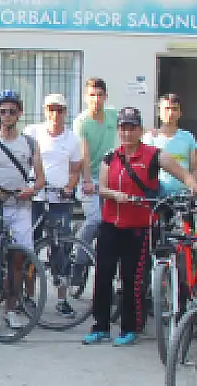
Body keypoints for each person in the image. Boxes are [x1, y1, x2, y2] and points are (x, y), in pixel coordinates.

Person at [82, 106, 197, 348]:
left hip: (138, 228)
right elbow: (101, 188)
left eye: (132, 128)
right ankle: (100, 327)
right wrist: (115, 195)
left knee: (132, 280)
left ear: (140, 130)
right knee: (103, 276)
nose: (127, 133)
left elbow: (183, 174)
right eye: (123, 128)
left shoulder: (154, 155)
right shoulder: (110, 157)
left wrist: (194, 185)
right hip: (110, 225)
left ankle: (130, 328)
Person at [0, 90, 45, 331]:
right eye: (3, 111)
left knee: (18, 262)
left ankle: (11, 310)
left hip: (21, 208)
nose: (7, 115)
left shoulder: (30, 143)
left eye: (12, 111)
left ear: (19, 113)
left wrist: (31, 190)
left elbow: (40, 179)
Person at [27, 92, 85, 319]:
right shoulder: (32, 132)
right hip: (35, 198)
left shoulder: (72, 139)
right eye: (51, 109)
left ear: (65, 112)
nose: (55, 114)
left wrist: (69, 187)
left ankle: (62, 299)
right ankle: (28, 296)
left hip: (59, 200)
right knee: (30, 246)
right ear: (45, 111)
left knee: (62, 248)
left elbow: (75, 170)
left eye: (59, 110)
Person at [74, 77, 118, 255]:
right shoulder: (81, 121)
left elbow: (133, 129)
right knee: (94, 220)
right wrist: (86, 181)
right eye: (92, 95)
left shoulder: (112, 114)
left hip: (108, 177)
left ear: (105, 97)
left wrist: (152, 133)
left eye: (100, 95)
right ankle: (79, 258)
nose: (96, 99)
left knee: (110, 223)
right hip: (88, 177)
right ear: (86, 97)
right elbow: (84, 154)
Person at [143, 93, 197, 198]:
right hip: (157, 196)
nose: (171, 113)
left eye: (174, 109)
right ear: (159, 112)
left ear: (180, 113)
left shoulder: (188, 137)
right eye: (167, 109)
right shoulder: (150, 138)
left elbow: (195, 168)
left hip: (183, 195)